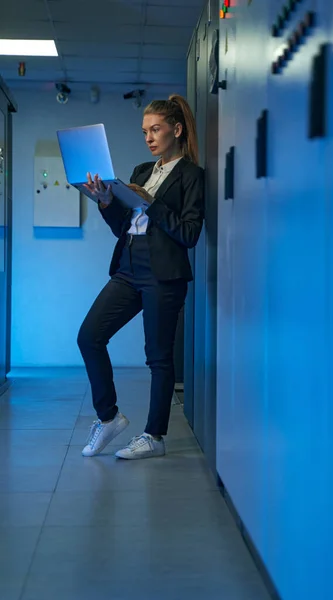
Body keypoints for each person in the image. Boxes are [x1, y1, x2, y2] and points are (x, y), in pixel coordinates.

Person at [77, 94, 204, 460]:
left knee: (158, 357)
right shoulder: (139, 171)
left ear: (176, 130)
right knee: (89, 336)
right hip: (128, 266)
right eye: (145, 131)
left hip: (164, 274)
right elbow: (123, 227)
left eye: (156, 129)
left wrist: (151, 202)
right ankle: (109, 417)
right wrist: (105, 201)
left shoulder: (192, 176)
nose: (148, 138)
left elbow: (190, 233)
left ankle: (154, 437)